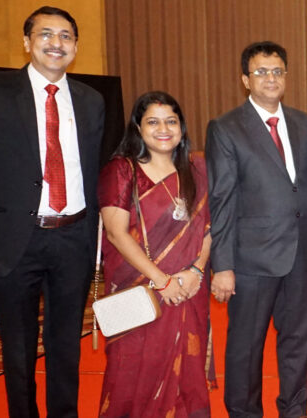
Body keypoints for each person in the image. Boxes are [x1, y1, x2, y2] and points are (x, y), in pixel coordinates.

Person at [0, 6, 105, 416]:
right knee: (18, 347)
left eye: (66, 36)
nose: (56, 43)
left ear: (76, 46)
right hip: (13, 240)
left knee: (66, 344)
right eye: (46, 34)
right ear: (27, 42)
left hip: (73, 236)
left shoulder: (91, 100)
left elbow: (97, 171)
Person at [206, 41, 307, 417]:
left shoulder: (304, 124)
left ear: (286, 76)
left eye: (277, 71)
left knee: (298, 342)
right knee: (246, 347)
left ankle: (294, 410)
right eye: (261, 72)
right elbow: (222, 199)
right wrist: (222, 265)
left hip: (300, 255)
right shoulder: (226, 128)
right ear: (245, 79)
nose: (271, 78)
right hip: (251, 260)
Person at [97, 91, 212, 417]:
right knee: (132, 372)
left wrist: (197, 271)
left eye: (171, 121)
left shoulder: (197, 170)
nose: (163, 129)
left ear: (181, 127)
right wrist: (162, 281)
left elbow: (208, 228)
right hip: (140, 291)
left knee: (187, 371)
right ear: (138, 128)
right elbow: (117, 234)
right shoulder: (122, 171)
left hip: (189, 289)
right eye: (153, 122)